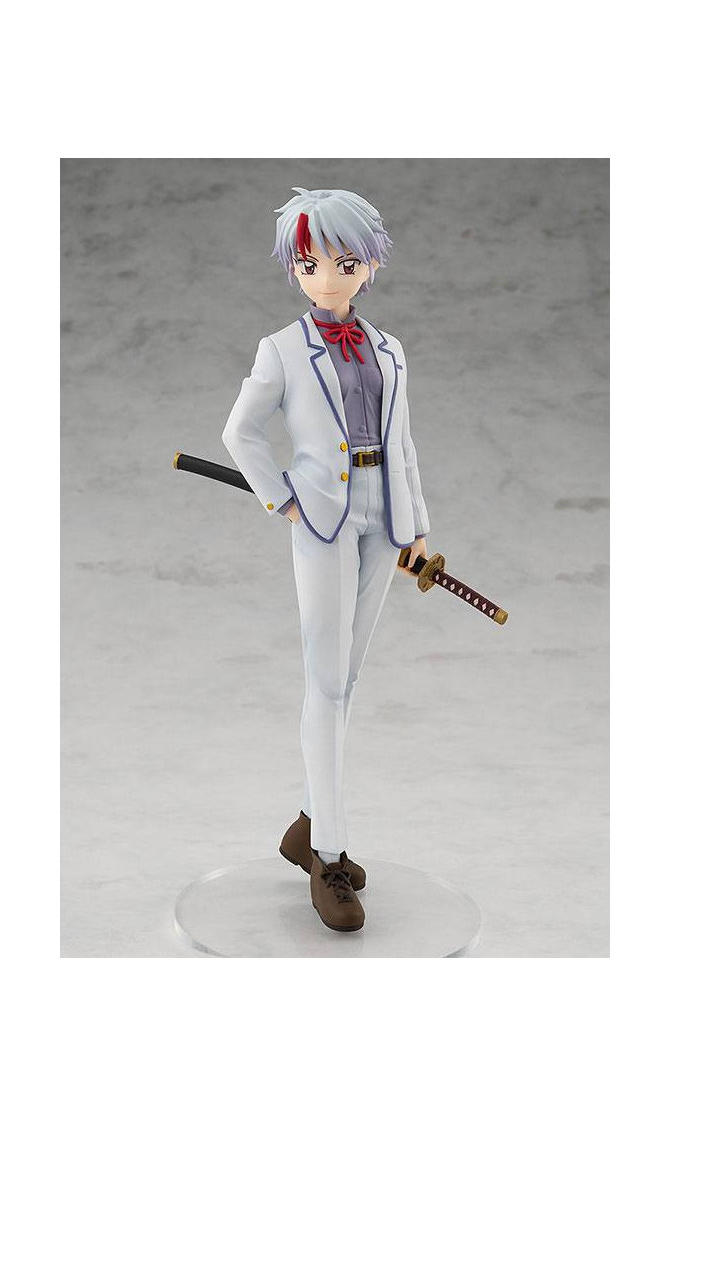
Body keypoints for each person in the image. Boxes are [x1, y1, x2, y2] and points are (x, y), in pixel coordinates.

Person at [221, 188, 430, 933]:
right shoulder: (281, 349)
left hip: (384, 517)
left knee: (348, 678)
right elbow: (240, 433)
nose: (328, 277)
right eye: (310, 264)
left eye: (344, 262)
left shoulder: (389, 349)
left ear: (369, 263)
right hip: (323, 520)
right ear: (295, 269)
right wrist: (281, 499)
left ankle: (309, 824)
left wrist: (417, 524)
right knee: (326, 682)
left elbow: (402, 441)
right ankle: (329, 856)